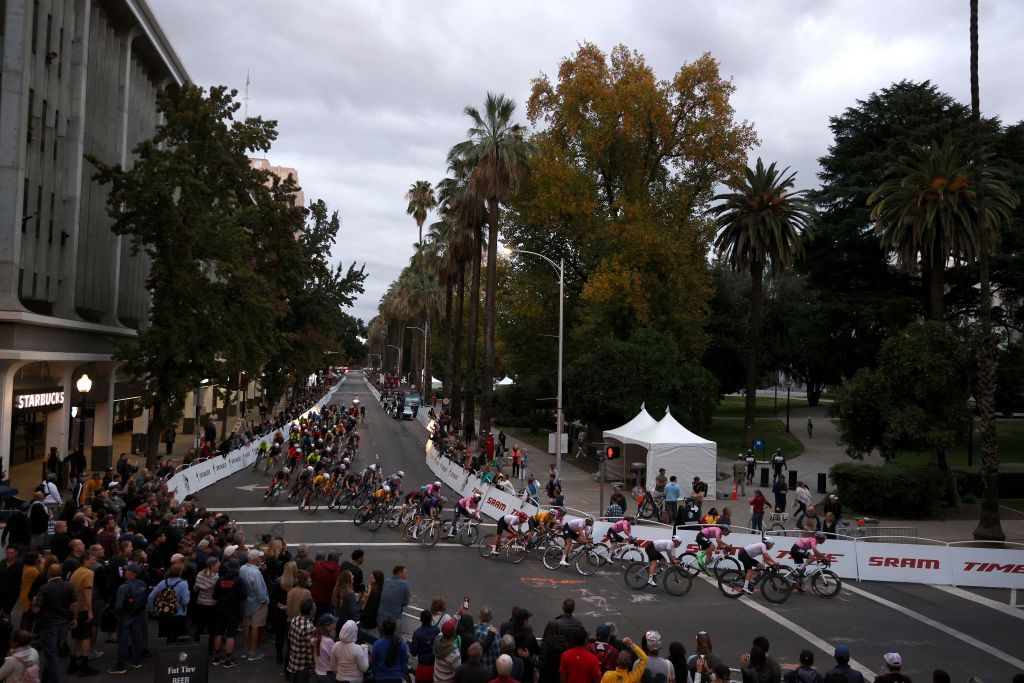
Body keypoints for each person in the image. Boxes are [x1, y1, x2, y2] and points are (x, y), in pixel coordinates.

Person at [108, 562, 148, 675]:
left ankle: (121, 665)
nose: (124, 571)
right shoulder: (142, 583)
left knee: (123, 640)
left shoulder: (123, 587)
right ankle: (137, 660)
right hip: (137, 614)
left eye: (126, 570)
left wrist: (117, 615)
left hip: (125, 615)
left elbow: (118, 606)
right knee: (137, 637)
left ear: (131, 573)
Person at [67, 548, 100, 676]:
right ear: (85, 560)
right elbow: (88, 593)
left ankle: (72, 663)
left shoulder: (77, 571)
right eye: (92, 561)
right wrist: (90, 611)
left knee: (75, 636)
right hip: (83, 608)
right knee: (86, 636)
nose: (94, 563)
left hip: (74, 608)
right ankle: (85, 665)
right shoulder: (89, 573)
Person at [240, 548, 270, 661]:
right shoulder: (256, 573)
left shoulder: (242, 568)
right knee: (255, 627)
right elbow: (260, 590)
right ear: (256, 559)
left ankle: (244, 650)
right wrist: (265, 600)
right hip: (257, 603)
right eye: (259, 557)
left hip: (246, 602)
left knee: (246, 625)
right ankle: (252, 652)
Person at [288, 598, 317, 683]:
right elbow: (310, 650)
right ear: (311, 611)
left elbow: (289, 637)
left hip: (293, 659)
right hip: (303, 665)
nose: (316, 607)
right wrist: (312, 666)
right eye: (315, 607)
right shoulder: (310, 628)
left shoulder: (294, 619)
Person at [371, 618, 408, 683]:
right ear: (394, 629)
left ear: (382, 630)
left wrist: (376, 675)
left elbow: (374, 664)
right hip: (396, 677)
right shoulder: (402, 644)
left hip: (380, 678)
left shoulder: (377, 644)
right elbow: (403, 664)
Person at [332, 619, 369, 683]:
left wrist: (341, 674)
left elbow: (332, 666)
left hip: (339, 680)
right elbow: (364, 668)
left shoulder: (335, 645)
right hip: (355, 680)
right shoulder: (357, 648)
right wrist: (365, 650)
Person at [378, 566, 411, 634]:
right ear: (400, 573)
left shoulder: (386, 581)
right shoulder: (405, 584)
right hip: (394, 619)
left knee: (382, 637)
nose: (407, 575)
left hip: (380, 617)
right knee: (394, 641)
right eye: (405, 573)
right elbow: (405, 602)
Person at [411, 610, 440, 683]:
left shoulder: (417, 633)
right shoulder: (436, 630)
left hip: (422, 669)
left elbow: (414, 653)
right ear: (431, 619)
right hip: (435, 668)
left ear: (421, 620)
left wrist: (409, 644)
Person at [434, 617, 462, 683]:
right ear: (454, 633)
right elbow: (459, 672)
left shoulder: (437, 639)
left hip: (436, 679)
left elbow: (445, 629)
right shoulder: (454, 654)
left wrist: (458, 614)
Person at [313, 613, 337, 683]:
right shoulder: (328, 641)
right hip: (327, 674)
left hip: (318, 671)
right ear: (327, 626)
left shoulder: (315, 637)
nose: (335, 623)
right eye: (333, 622)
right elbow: (333, 658)